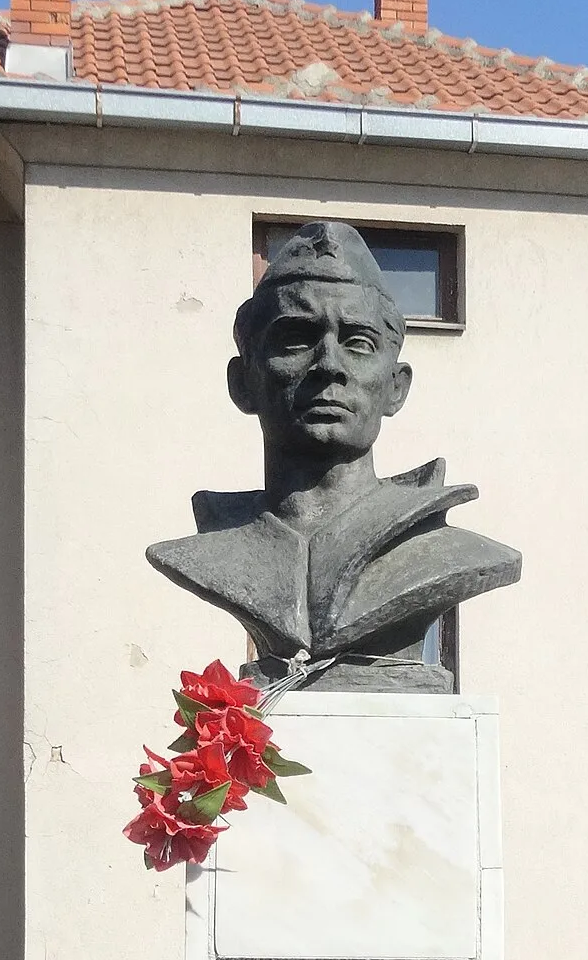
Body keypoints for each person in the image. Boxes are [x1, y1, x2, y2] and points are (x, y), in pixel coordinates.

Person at [145, 219, 520, 693]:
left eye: (358, 342)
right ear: (243, 383)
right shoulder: (208, 550)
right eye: (296, 339)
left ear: (396, 389)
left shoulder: (448, 554)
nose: (328, 365)